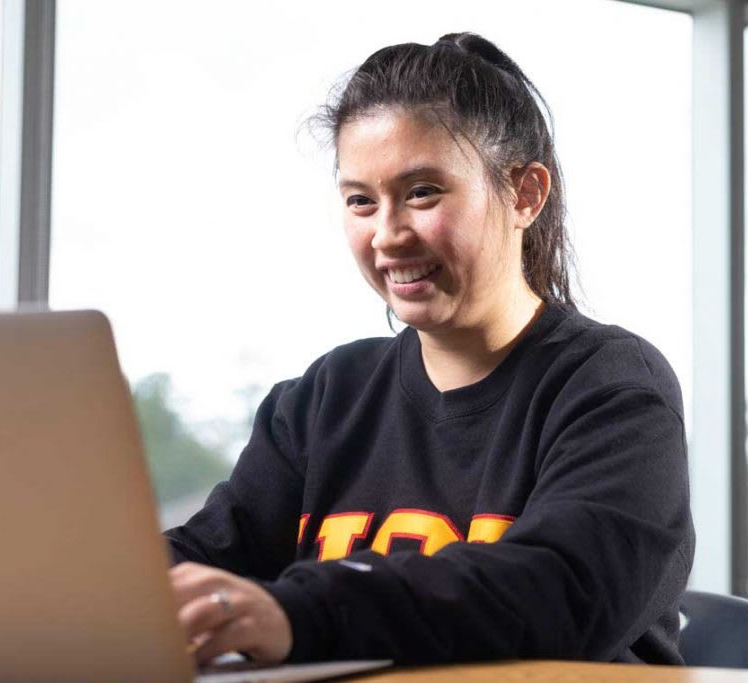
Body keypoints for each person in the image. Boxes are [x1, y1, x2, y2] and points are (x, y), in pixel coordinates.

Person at [164, 32, 694, 667]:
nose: (387, 235)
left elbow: (559, 592)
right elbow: (214, 553)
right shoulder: (327, 394)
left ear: (524, 194)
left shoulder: (611, 388)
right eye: (361, 201)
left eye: (422, 193)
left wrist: (302, 611)